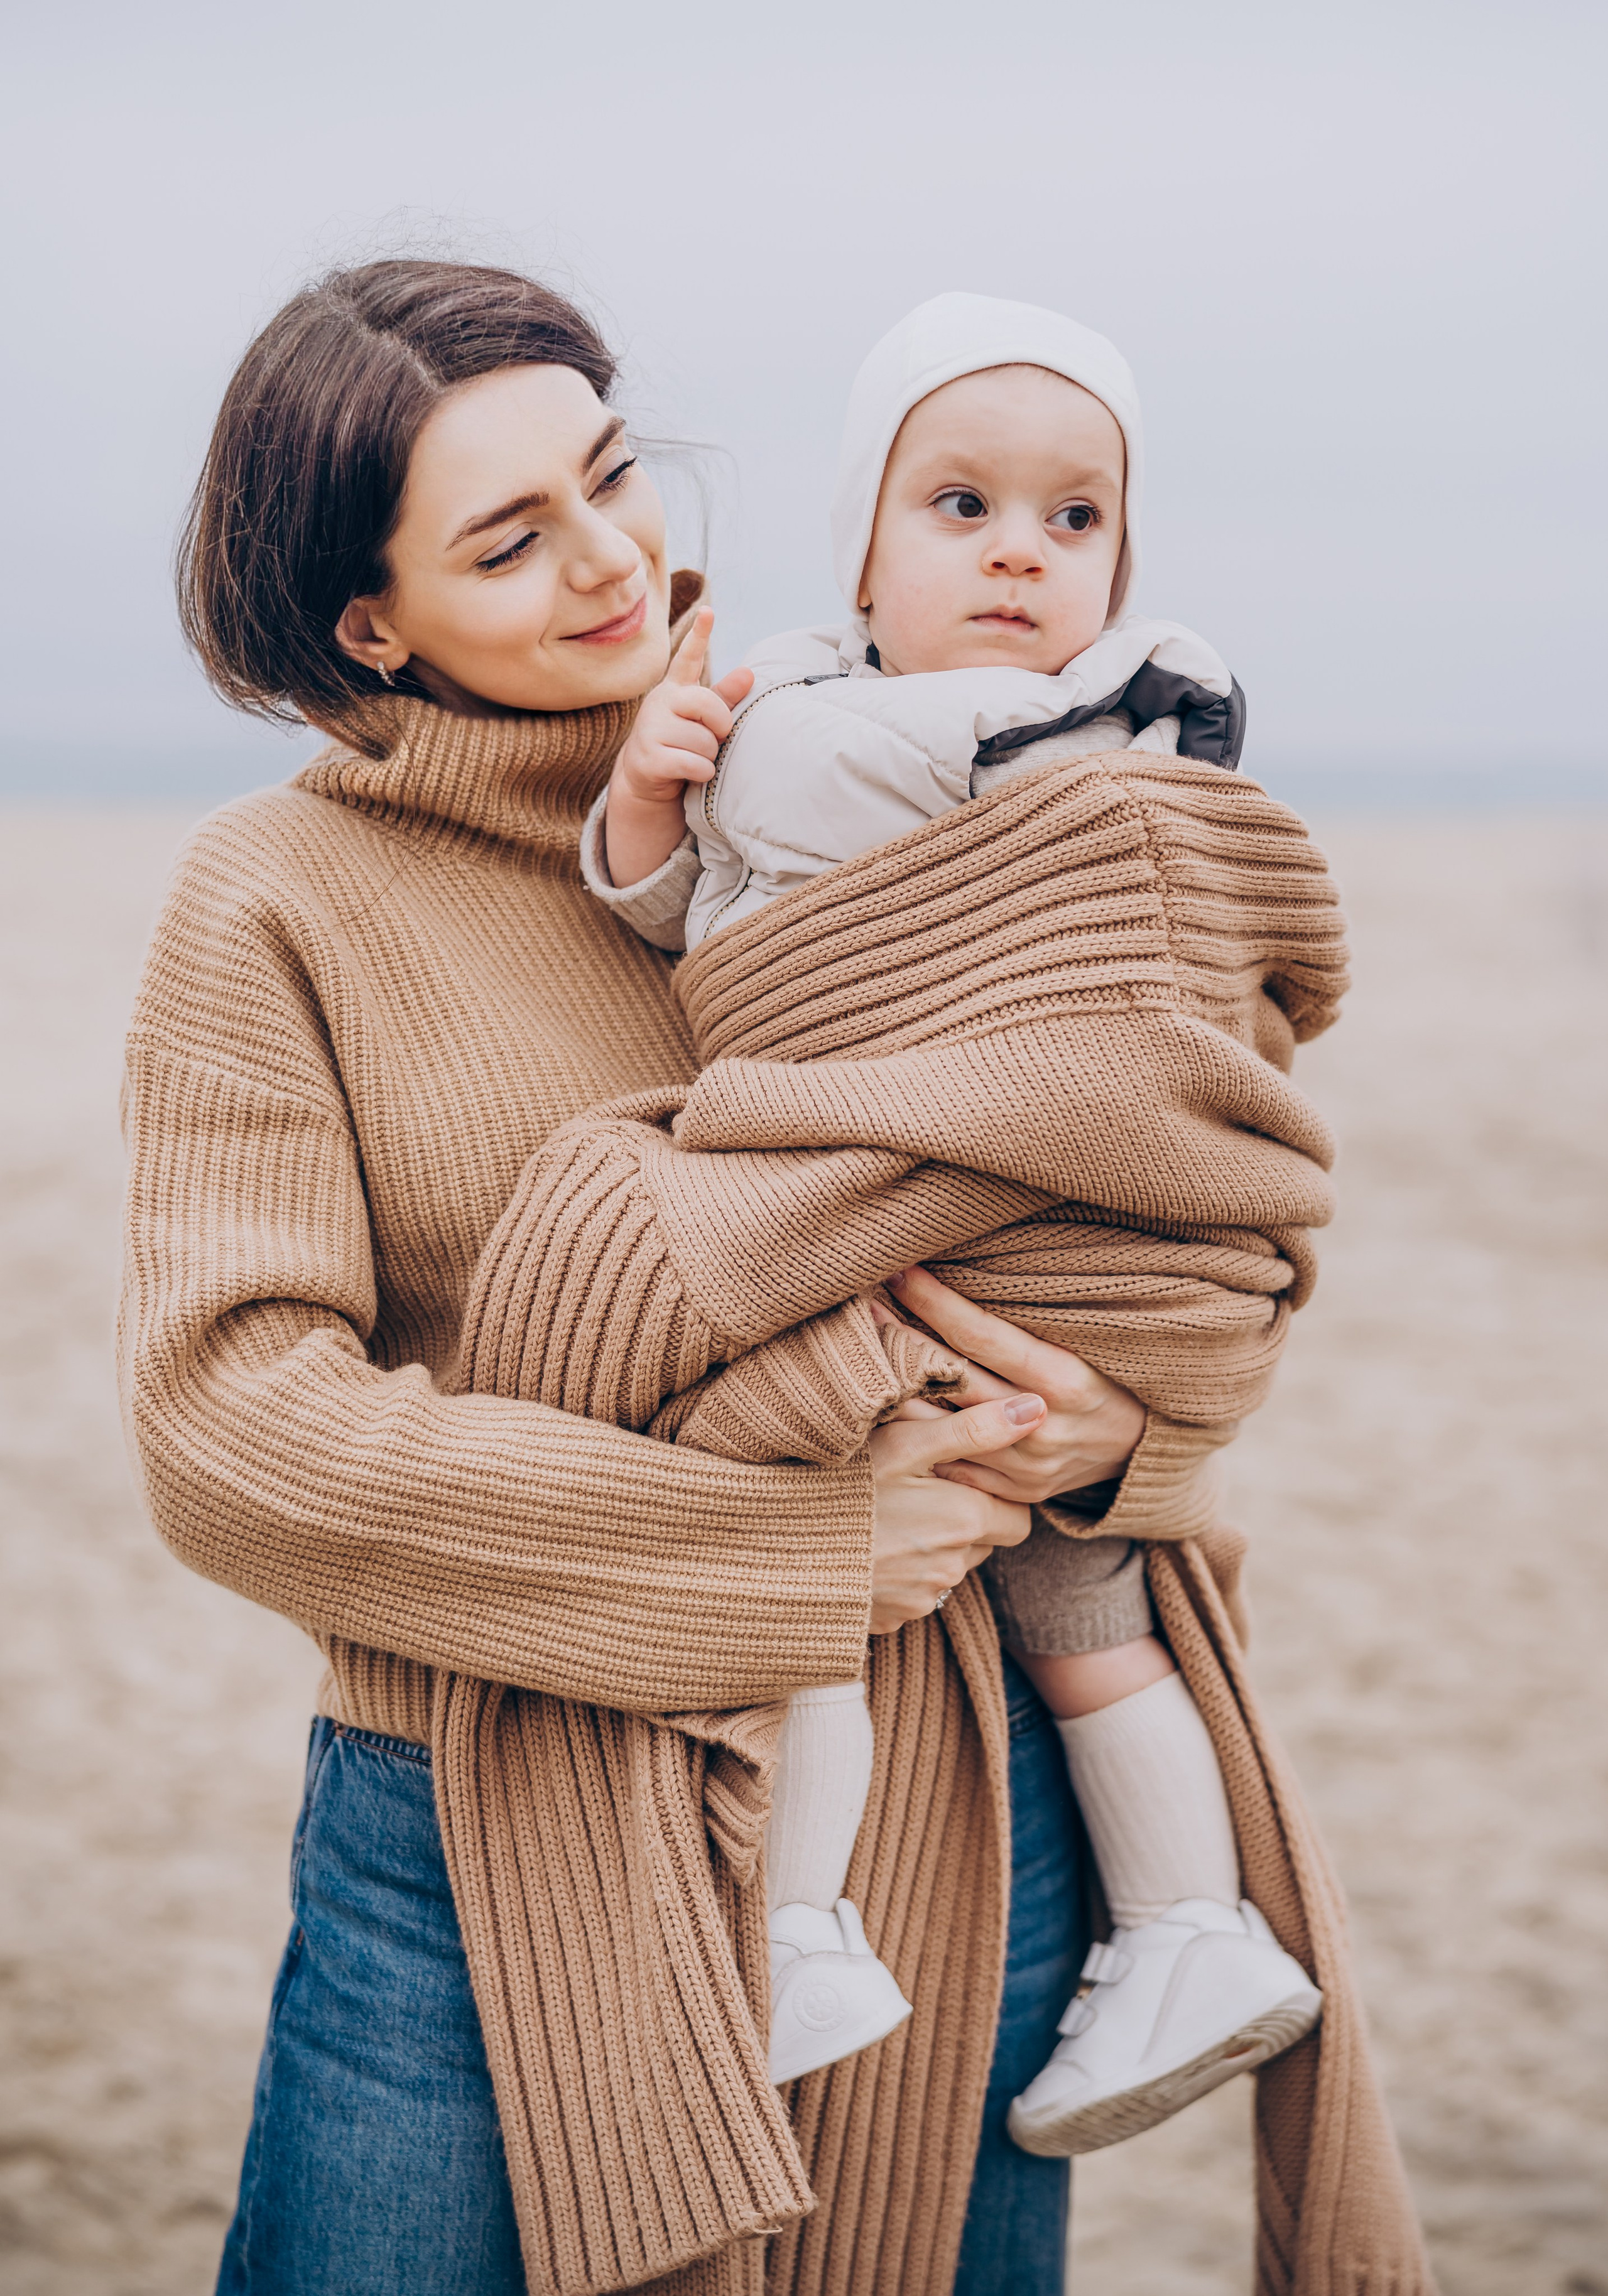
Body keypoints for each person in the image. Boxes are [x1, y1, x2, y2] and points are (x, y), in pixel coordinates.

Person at [121, 258, 1149, 2296]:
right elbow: (230, 1430)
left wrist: (1132, 1428)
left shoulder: (863, 779)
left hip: (951, 1783)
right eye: (512, 541)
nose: (615, 564)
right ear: (367, 620)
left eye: (614, 476)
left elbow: (1130, 1184)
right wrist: (776, 1556)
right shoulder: (278, 897)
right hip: (483, 1821)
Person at [585, 293, 1325, 2153]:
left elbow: (1127, 926)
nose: (1023, 553)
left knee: (860, 1543)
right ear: (862, 541)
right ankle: (1163, 1926)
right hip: (904, 1206)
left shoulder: (1100, 712)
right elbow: (696, 928)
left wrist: (736, 748)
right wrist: (645, 801)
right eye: (963, 506)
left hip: (1027, 1220)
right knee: (1046, 1600)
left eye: (1076, 521)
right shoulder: (791, 703)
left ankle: (847, 1927)